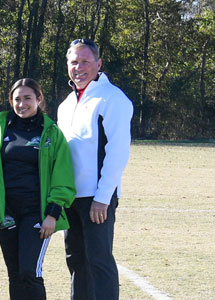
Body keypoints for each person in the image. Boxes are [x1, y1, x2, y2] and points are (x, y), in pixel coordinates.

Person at [0, 78, 76, 300]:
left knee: (30, 272)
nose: (22, 104)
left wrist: (52, 214)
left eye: (28, 98)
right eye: (17, 99)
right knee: (14, 274)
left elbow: (63, 176)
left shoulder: (51, 133)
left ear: (39, 99)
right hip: (6, 212)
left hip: (36, 213)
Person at [56, 39, 132, 300]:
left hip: (96, 197)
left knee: (99, 262)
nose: (79, 67)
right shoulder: (66, 104)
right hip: (69, 196)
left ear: (98, 64)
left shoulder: (112, 98)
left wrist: (102, 198)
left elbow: (118, 152)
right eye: (74, 62)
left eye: (85, 61)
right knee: (76, 261)